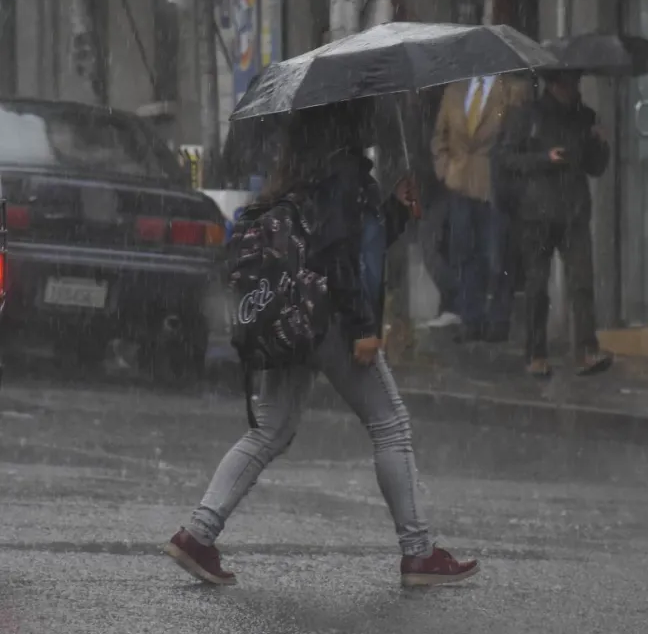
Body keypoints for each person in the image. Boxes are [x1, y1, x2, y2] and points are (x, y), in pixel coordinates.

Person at [165, 105, 479, 588]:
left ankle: (197, 535)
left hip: (289, 320)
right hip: (330, 319)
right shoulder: (346, 174)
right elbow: (340, 255)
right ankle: (419, 554)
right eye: (363, 116)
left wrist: (392, 210)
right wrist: (361, 328)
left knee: (270, 431)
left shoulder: (296, 179)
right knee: (390, 424)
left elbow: (343, 242)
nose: (371, 121)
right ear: (346, 125)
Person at [494, 69, 614, 378]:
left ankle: (587, 350)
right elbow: (507, 158)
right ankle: (536, 353)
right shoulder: (528, 115)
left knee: (582, 283)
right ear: (555, 85)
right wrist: (544, 158)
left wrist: (600, 144)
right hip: (537, 213)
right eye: (569, 83)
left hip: (573, 211)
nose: (574, 89)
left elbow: (596, 167)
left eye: (577, 83)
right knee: (537, 286)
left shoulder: (584, 117)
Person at [431, 74, 531, 342]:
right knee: (464, 253)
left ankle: (498, 319)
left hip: (494, 183)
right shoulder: (454, 90)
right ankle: (470, 318)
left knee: (497, 254)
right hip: (460, 183)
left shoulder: (510, 89)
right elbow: (440, 135)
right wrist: (444, 168)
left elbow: (516, 133)